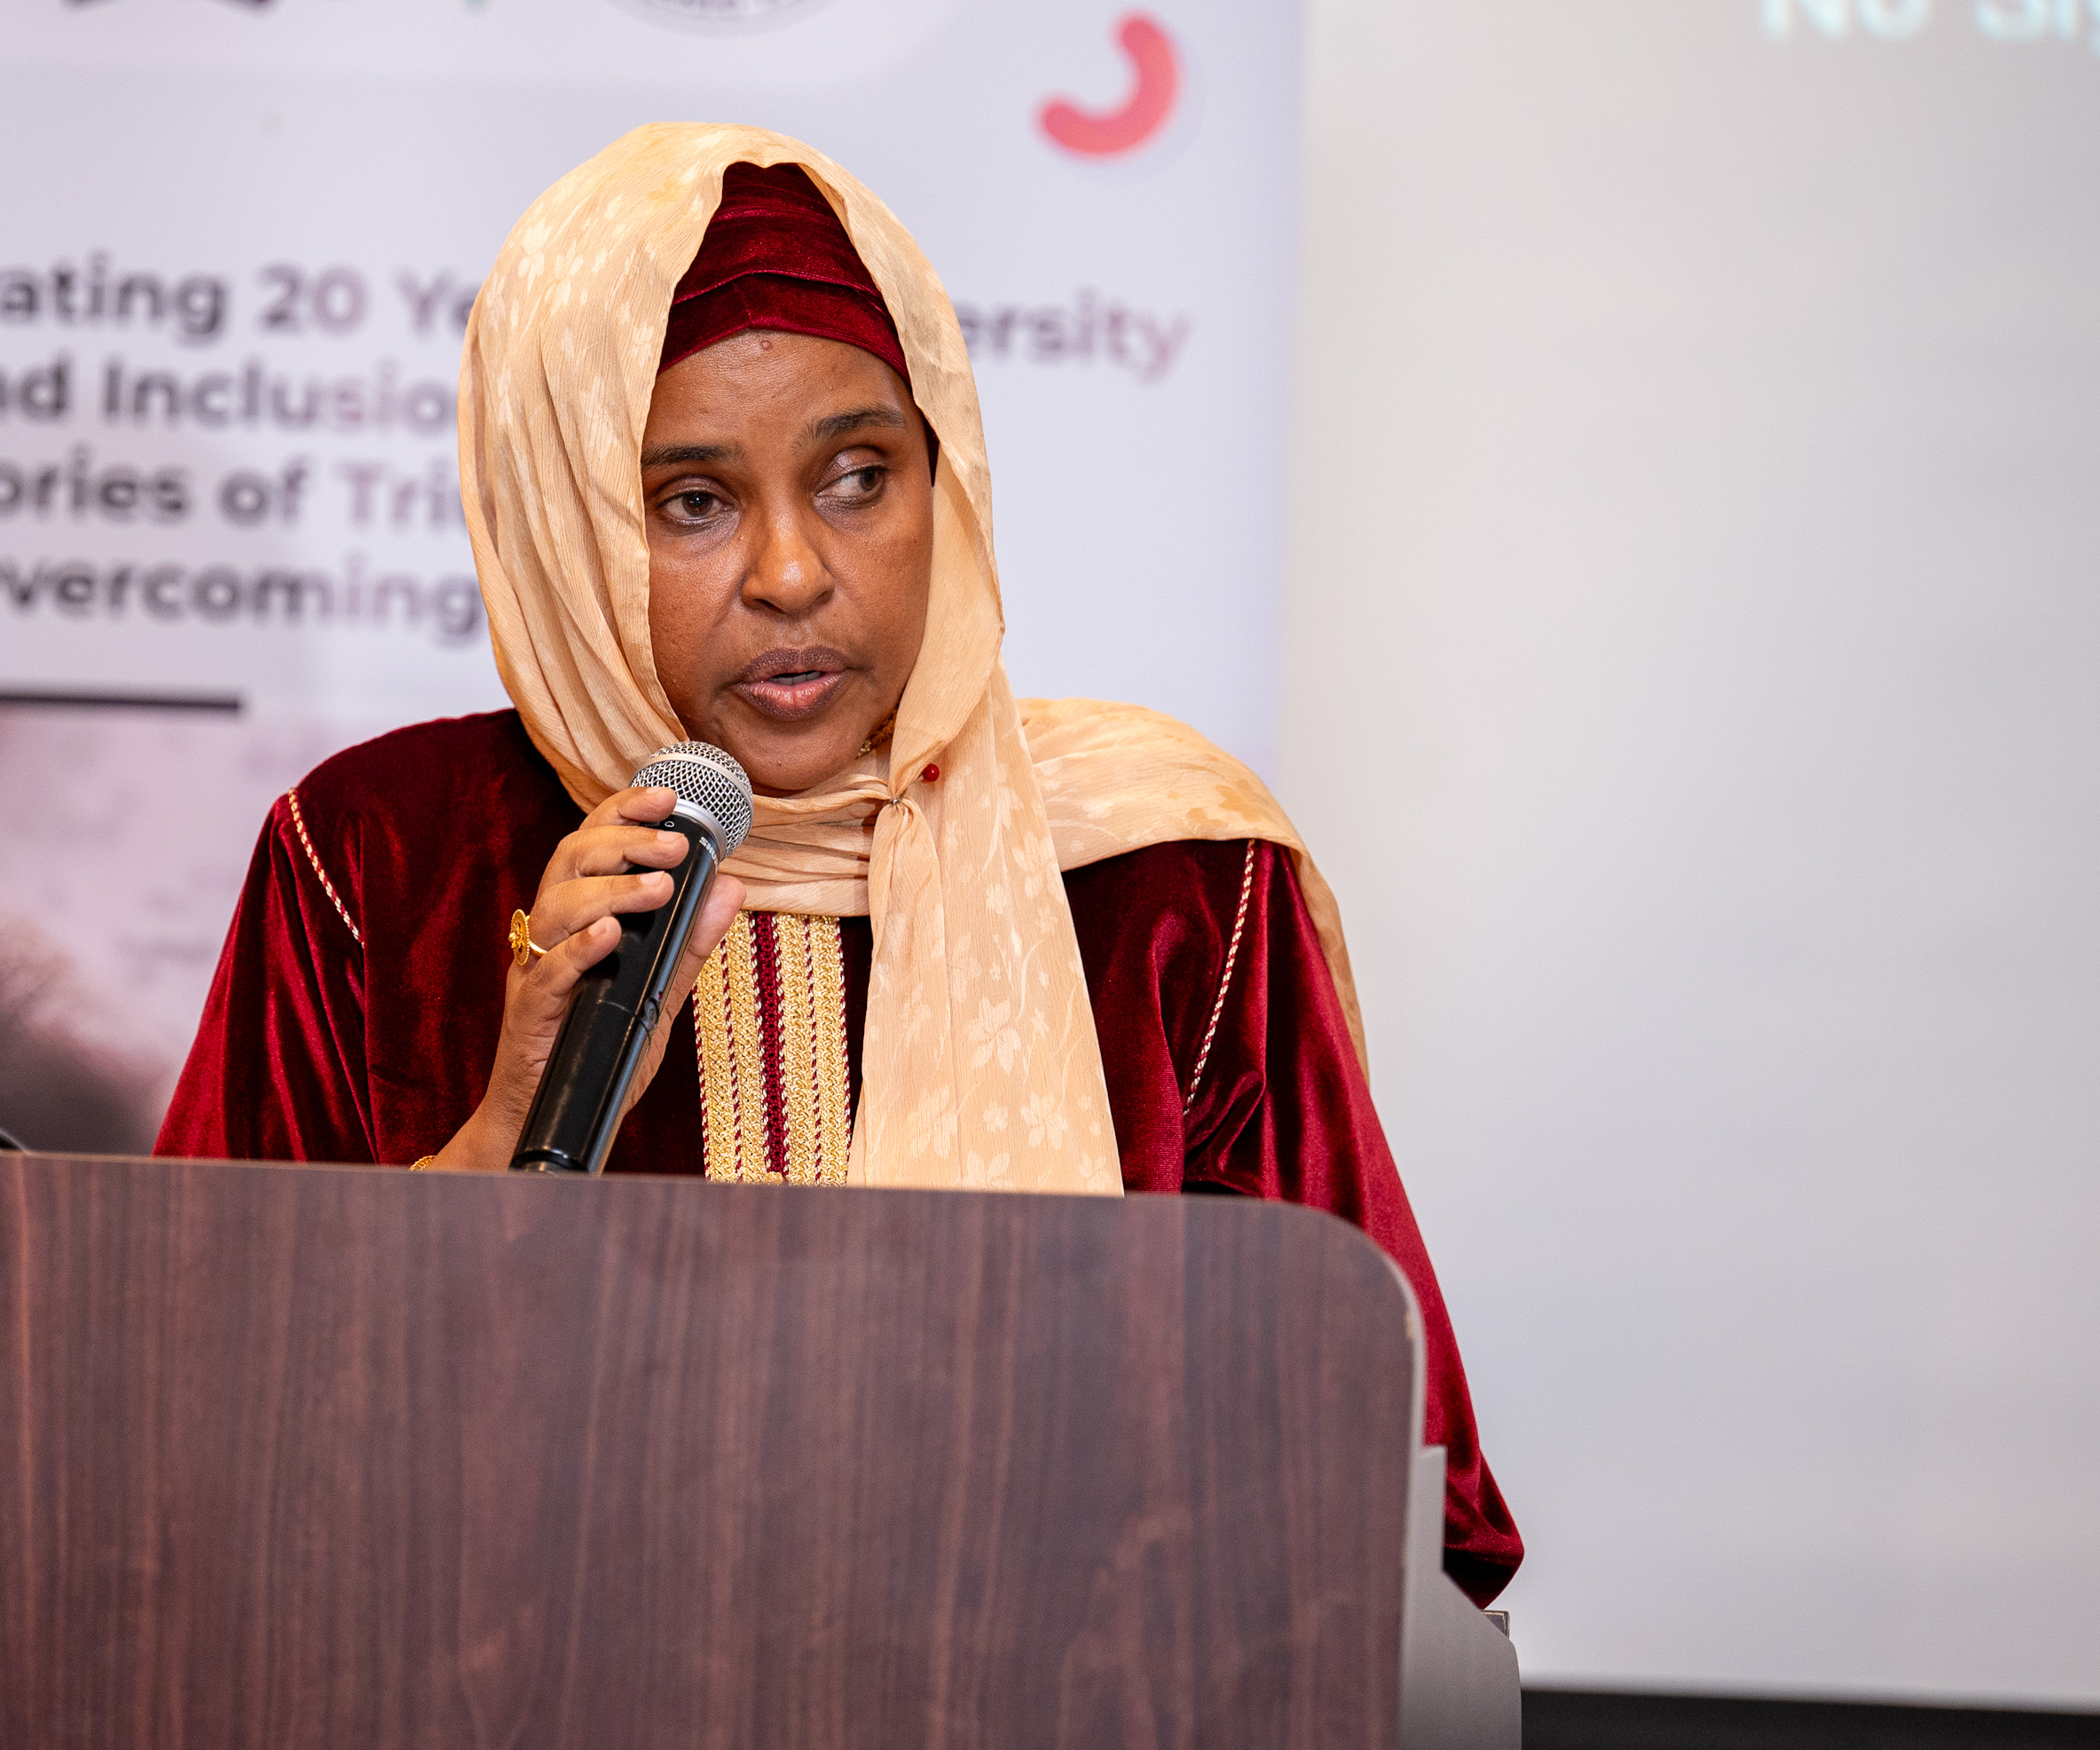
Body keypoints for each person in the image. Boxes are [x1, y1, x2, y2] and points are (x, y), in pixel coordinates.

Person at [156, 124, 1523, 1600]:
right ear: (563, 523)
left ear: (948, 479)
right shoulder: (382, 859)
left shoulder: (1167, 880)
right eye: (692, 502)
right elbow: (177, 1441)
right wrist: (505, 1135)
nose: (794, 573)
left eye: (859, 477)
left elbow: (1396, 1507)